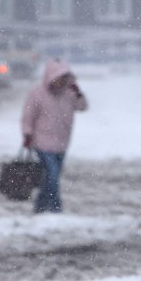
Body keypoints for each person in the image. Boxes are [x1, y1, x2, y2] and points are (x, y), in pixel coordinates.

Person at [21, 59, 88, 213]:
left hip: (62, 143)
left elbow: (83, 107)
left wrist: (78, 93)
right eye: (58, 77)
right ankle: (56, 208)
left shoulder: (70, 94)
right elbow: (28, 116)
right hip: (42, 142)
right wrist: (27, 134)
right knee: (52, 176)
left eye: (64, 78)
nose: (61, 81)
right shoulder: (37, 94)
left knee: (52, 178)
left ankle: (40, 207)